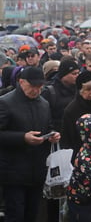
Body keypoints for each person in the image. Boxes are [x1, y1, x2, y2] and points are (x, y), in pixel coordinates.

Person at [0, 67, 60, 222]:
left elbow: (47, 127)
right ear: (21, 82)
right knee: (15, 215)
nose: (36, 90)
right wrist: (22, 138)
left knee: (32, 215)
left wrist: (52, 135)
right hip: (13, 172)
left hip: (37, 171)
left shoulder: (44, 104)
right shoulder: (5, 102)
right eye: (33, 86)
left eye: (40, 87)